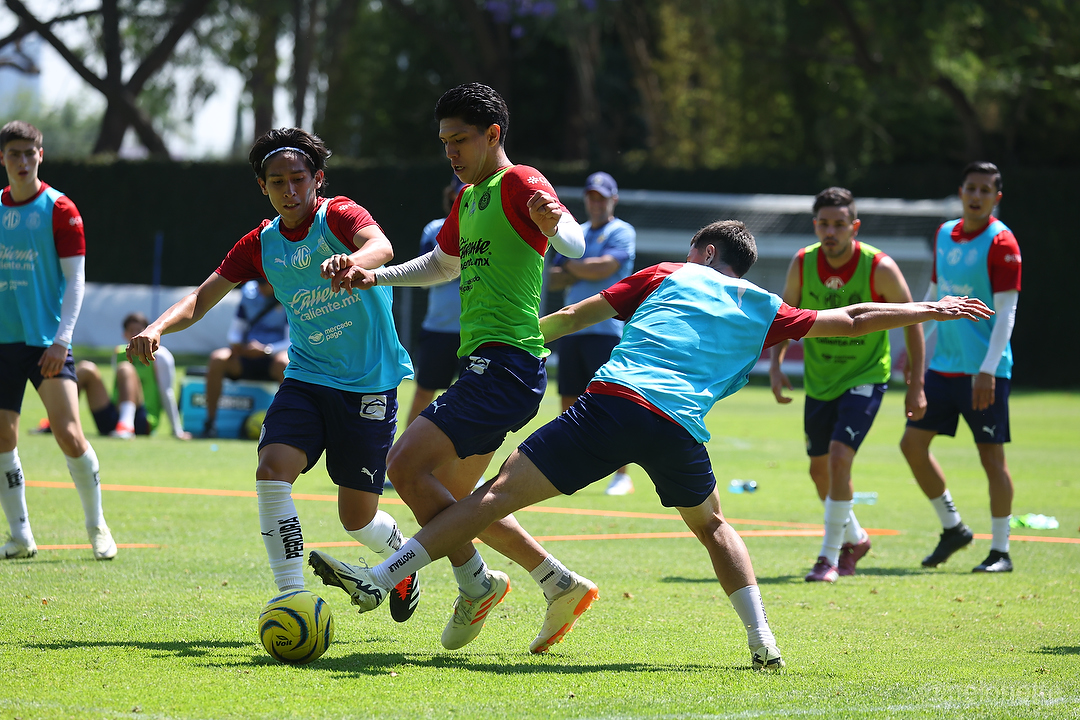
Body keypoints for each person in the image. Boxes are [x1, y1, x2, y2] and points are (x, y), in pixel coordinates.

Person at [305, 220, 992, 668]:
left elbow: (577, 314)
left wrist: (518, 341)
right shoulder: (763, 306)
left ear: (705, 253)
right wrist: (930, 308)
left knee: (490, 498)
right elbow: (855, 317)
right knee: (714, 525)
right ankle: (762, 642)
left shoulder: (668, 273)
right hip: (678, 428)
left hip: (612, 406)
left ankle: (381, 579)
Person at [309, 82, 595, 654]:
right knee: (457, 508)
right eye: (444, 143)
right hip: (489, 366)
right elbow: (442, 265)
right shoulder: (468, 199)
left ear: (493, 135)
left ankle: (394, 577)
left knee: (405, 465)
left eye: (460, 140)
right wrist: (375, 276)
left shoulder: (517, 180)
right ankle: (552, 583)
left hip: (508, 363)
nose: (451, 153)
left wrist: (554, 222)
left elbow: (576, 243)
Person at [126, 128, 421, 621]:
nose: (290, 190)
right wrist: (157, 327)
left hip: (370, 384)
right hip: (307, 377)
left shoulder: (340, 216)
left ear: (317, 180)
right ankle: (291, 595)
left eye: (298, 179)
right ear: (263, 187)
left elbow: (382, 246)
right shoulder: (259, 244)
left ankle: (403, 563)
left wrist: (354, 259)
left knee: (356, 517)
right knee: (271, 471)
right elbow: (201, 298)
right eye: (278, 181)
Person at [769, 187, 925, 582]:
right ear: (815, 225)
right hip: (820, 381)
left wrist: (916, 383)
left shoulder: (879, 267)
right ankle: (857, 538)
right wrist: (775, 364)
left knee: (840, 458)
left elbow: (914, 320)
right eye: (824, 223)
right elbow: (784, 316)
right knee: (820, 473)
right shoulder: (803, 263)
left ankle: (828, 557)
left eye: (840, 224)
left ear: (854, 226)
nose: (831, 231)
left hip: (866, 376)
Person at [0, 120, 117, 561]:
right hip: (3, 342)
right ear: (3, 158)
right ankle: (20, 536)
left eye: (31, 153)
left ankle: (97, 525)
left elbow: (75, 282)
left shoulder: (60, 209)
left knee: (68, 434)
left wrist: (62, 340)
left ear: (41, 155)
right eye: (15, 153)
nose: (24, 161)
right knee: (2, 437)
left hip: (47, 342)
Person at [900, 161, 1022, 573]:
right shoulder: (943, 233)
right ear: (961, 190)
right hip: (943, 368)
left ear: (996, 198)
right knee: (911, 445)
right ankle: (953, 527)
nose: (976, 196)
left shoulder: (1002, 242)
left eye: (985, 190)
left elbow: (1006, 311)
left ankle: (1001, 552)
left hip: (983, 372)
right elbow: (934, 296)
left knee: (992, 459)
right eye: (971, 188)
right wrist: (916, 346)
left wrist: (988, 369)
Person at [547, 171, 636, 495]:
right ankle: (570, 465)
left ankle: (621, 474)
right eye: (591, 196)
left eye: (601, 197)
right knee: (569, 399)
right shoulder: (577, 233)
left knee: (611, 401)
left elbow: (605, 267)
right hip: (573, 330)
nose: (595, 203)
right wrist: (578, 267)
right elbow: (553, 278)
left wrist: (573, 267)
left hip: (607, 330)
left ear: (612, 199)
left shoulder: (622, 231)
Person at [72, 312, 190, 440]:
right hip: (113, 418)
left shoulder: (161, 356)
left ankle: (126, 426)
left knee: (125, 368)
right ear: (125, 334)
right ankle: (61, 421)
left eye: (139, 331)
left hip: (143, 421)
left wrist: (177, 430)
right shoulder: (118, 353)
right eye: (131, 331)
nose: (135, 335)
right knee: (85, 368)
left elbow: (166, 393)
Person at [405, 178, 464, 427]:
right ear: (452, 195)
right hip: (438, 329)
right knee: (424, 393)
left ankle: (455, 462)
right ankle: (403, 456)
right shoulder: (434, 229)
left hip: (475, 333)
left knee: (468, 399)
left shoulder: (490, 231)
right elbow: (424, 279)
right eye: (462, 194)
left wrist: (447, 268)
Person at [201, 277, 290, 438]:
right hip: (247, 355)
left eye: (265, 284)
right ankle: (210, 422)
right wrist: (237, 345)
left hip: (273, 356)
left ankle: (287, 425)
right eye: (259, 284)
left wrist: (266, 350)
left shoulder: (289, 294)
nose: (261, 288)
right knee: (217, 358)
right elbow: (236, 329)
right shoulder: (249, 294)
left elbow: (291, 340)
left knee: (285, 363)